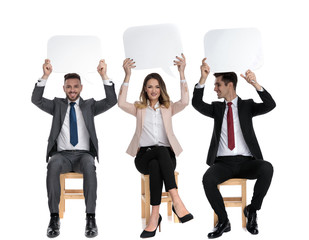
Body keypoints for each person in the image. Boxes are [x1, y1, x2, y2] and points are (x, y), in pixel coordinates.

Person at [31, 59, 117, 238]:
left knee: (89, 166)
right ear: (64, 88)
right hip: (61, 156)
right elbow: (36, 100)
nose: (72, 90)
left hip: (83, 155)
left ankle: (91, 218)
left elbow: (111, 101)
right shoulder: (57, 105)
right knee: (53, 165)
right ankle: (54, 217)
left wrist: (103, 75)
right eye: (69, 87)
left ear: (81, 88)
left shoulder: (90, 106)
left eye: (76, 86)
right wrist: (45, 76)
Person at [192, 58, 276, 238]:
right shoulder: (216, 108)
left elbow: (270, 105)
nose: (215, 88)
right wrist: (203, 79)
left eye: (218, 84)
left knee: (267, 168)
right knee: (207, 179)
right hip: (223, 164)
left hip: (247, 163)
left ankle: (252, 210)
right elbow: (197, 104)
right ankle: (223, 221)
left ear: (230, 85)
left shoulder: (247, 106)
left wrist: (255, 83)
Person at [118, 54, 193, 238]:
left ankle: (154, 217)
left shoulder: (168, 107)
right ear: (145, 89)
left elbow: (185, 101)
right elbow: (120, 103)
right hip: (143, 156)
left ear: (161, 89)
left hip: (167, 157)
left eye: (157, 87)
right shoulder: (139, 108)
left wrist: (182, 72)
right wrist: (127, 75)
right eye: (150, 86)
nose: (154, 90)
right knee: (155, 156)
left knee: (156, 164)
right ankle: (176, 199)